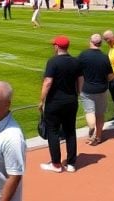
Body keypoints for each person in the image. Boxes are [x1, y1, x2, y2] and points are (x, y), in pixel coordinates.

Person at [38, 36, 82, 173]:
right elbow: (81, 80)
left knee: (53, 131)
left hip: (55, 102)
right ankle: (71, 163)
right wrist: (77, 94)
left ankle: (56, 164)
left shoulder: (53, 62)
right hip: (71, 100)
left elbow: (48, 82)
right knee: (70, 131)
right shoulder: (76, 61)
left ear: (57, 47)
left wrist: (41, 100)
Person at [77, 34, 112, 145]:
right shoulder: (105, 56)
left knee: (89, 111)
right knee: (100, 114)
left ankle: (91, 128)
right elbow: (110, 75)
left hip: (88, 89)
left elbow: (77, 72)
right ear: (100, 43)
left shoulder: (83, 55)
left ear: (90, 42)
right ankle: (99, 136)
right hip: (102, 88)